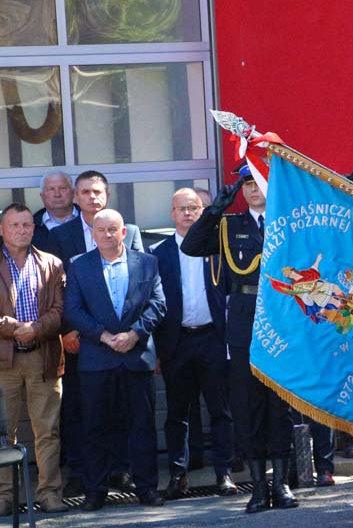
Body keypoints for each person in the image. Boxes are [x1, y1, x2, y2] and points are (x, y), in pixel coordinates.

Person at [181, 163, 298, 514]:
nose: (251, 190)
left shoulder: (289, 222)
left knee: (280, 405)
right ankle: (259, 485)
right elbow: (192, 246)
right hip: (245, 320)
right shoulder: (231, 226)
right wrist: (215, 209)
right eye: (245, 184)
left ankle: (283, 481)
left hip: (282, 316)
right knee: (248, 406)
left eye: (257, 182)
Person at [63, 209, 166, 511]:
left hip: (136, 356)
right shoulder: (79, 266)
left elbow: (159, 304)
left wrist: (134, 334)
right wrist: (104, 336)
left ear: (124, 233)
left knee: (143, 425)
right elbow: (74, 310)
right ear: (93, 234)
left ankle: (146, 488)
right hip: (97, 358)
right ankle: (96, 490)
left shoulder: (147, 262)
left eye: (113, 230)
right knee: (95, 426)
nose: (107, 235)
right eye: (101, 230)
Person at [48, 170, 143, 497]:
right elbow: (58, 290)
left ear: (107, 195)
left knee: (122, 407)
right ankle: (81, 472)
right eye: (85, 192)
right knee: (79, 408)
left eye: (97, 191)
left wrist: (131, 333)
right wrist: (68, 330)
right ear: (76, 197)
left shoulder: (127, 231)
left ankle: (121, 469)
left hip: (123, 340)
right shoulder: (61, 234)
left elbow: (141, 284)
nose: (91, 197)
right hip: (80, 339)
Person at [149, 188, 237, 499]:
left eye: (194, 208)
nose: (188, 214)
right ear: (172, 213)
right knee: (177, 414)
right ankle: (178, 475)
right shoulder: (159, 254)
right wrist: (157, 350)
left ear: (202, 212)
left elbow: (230, 294)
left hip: (212, 338)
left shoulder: (217, 249)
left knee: (220, 411)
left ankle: (224, 473)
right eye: (182, 209)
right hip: (177, 342)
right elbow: (154, 305)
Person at [0, 203, 68, 515]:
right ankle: (4, 497)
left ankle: (49, 492)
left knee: (48, 431)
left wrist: (35, 329)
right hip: (4, 360)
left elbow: (59, 310)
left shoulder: (52, 263)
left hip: (43, 355)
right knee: (3, 433)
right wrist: (10, 329)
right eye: (14, 225)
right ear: (2, 229)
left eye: (27, 225)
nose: (21, 230)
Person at [32, 170, 78, 251]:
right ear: (42, 196)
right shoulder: (32, 226)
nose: (57, 194)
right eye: (51, 189)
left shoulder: (88, 220)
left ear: (73, 193)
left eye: (62, 188)